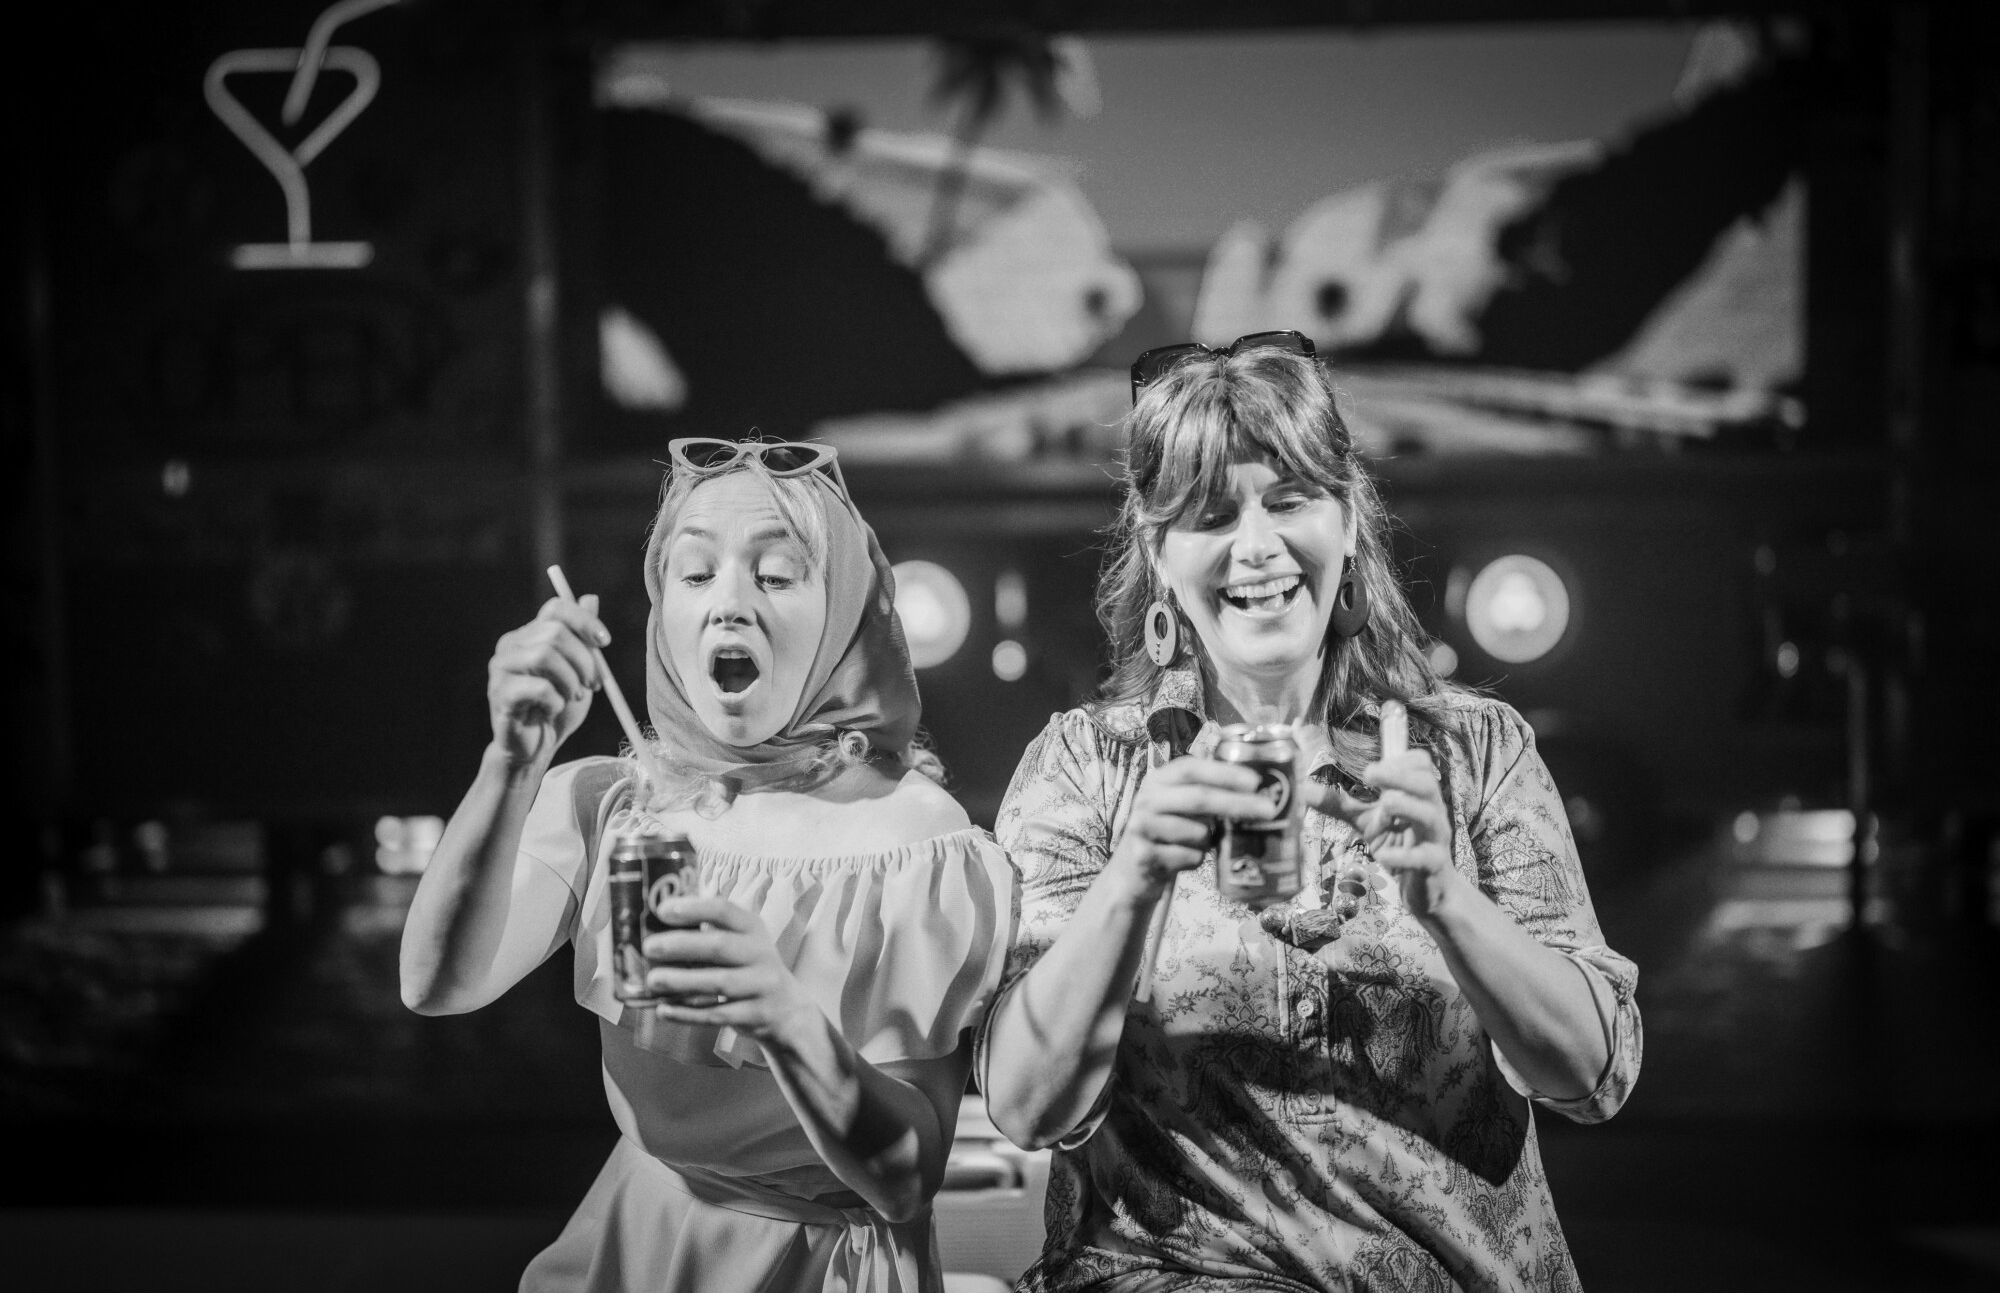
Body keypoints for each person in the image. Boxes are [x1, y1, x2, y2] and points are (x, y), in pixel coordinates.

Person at [977, 334, 1641, 1292]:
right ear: (1159, 555)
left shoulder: (1472, 751)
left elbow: (1593, 1078)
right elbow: (1026, 1108)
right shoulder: (1091, 766)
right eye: (1212, 515)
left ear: (1349, 522)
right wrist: (1132, 883)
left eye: (1289, 500)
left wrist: (1447, 901)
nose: (1257, 547)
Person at [400, 438, 1015, 1293]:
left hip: (822, 1267)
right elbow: (436, 985)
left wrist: (783, 1018)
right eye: (695, 574)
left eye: (776, 576)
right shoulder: (614, 807)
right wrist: (511, 763)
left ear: (845, 612)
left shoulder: (913, 841)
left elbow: (906, 1179)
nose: (729, 603)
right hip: (636, 1237)